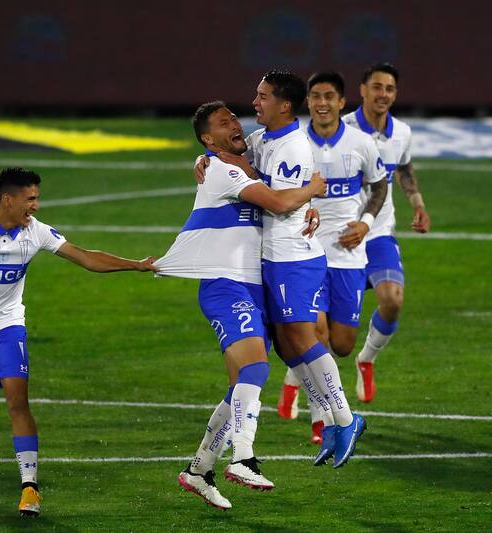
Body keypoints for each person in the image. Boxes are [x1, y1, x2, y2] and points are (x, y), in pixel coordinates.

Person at [0, 167, 156, 517]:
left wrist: (135, 265)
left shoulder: (34, 233)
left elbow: (84, 256)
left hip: (8, 326)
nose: (36, 206)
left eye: (36, 198)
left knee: (18, 400)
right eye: (31, 199)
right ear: (7, 200)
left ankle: (29, 487)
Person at [157, 101, 325, 510]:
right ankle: (244, 458)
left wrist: (309, 206)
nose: (235, 123)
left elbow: (283, 202)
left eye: (234, 117)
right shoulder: (223, 170)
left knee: (240, 388)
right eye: (222, 123)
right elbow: (282, 204)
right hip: (225, 284)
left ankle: (198, 470)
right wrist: (312, 191)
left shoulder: (246, 163)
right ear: (207, 139)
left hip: (252, 287)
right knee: (256, 368)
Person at [195, 71, 366, 468]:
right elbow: (231, 156)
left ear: (284, 105)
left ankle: (344, 418)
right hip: (271, 258)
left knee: (303, 339)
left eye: (262, 97)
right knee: (289, 349)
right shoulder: (261, 140)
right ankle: (331, 422)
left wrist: (308, 193)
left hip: (293, 258)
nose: (254, 103)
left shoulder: (292, 147)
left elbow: (280, 201)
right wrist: (204, 158)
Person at [277, 71, 388, 443]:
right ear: (307, 101)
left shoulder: (360, 143)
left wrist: (366, 223)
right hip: (305, 253)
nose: (322, 103)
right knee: (315, 332)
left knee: (340, 343)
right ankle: (321, 416)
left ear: (342, 102)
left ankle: (296, 380)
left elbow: (379, 186)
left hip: (349, 256)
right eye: (315, 97)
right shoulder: (293, 143)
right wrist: (207, 159)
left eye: (329, 97)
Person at [343, 62, 431, 403]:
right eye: (377, 87)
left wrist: (418, 203)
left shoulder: (402, 132)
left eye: (390, 89)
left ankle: (367, 360)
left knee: (392, 301)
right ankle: (305, 393)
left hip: (378, 230)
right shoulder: (341, 128)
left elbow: (404, 167)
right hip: (340, 236)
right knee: (331, 329)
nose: (383, 94)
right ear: (362, 90)